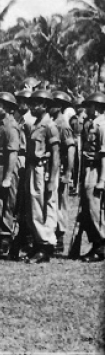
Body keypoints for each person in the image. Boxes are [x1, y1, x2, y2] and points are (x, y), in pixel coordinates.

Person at [20, 89, 60, 263]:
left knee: (41, 208)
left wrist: (52, 179)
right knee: (32, 207)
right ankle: (37, 244)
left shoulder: (50, 126)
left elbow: (56, 155)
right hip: (32, 168)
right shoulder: (35, 124)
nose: (32, 106)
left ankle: (44, 246)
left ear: (44, 105)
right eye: (31, 103)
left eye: (36, 103)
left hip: (42, 170)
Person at [0, 92, 22, 258]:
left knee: (6, 203)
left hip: (7, 167)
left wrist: (8, 177)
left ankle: (5, 239)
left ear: (9, 108)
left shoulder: (10, 126)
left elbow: (13, 153)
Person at [74, 92, 105, 261]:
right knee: (87, 208)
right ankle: (95, 243)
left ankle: (101, 246)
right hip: (87, 169)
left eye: (90, 106)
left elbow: (104, 154)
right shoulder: (90, 124)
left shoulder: (102, 125)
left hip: (97, 170)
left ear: (98, 107)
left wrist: (102, 180)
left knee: (95, 209)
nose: (87, 109)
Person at [49, 91, 76, 254]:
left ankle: (59, 238)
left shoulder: (63, 125)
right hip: (53, 167)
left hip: (60, 168)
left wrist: (67, 173)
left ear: (59, 106)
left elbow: (71, 150)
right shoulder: (52, 123)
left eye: (52, 104)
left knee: (60, 203)